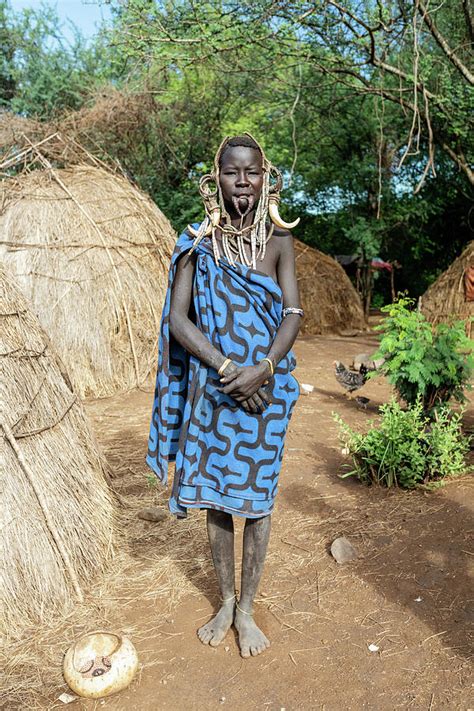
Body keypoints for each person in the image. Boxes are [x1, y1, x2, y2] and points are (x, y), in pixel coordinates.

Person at [146, 133, 303, 658]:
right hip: (214, 390)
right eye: (233, 172)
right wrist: (228, 367)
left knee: (257, 502)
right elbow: (176, 318)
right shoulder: (198, 242)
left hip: (268, 392)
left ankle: (248, 610)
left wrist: (265, 367)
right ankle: (226, 599)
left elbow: (292, 314)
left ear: (266, 178)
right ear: (215, 179)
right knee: (217, 498)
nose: (243, 181)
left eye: (252, 172)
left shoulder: (279, 240)